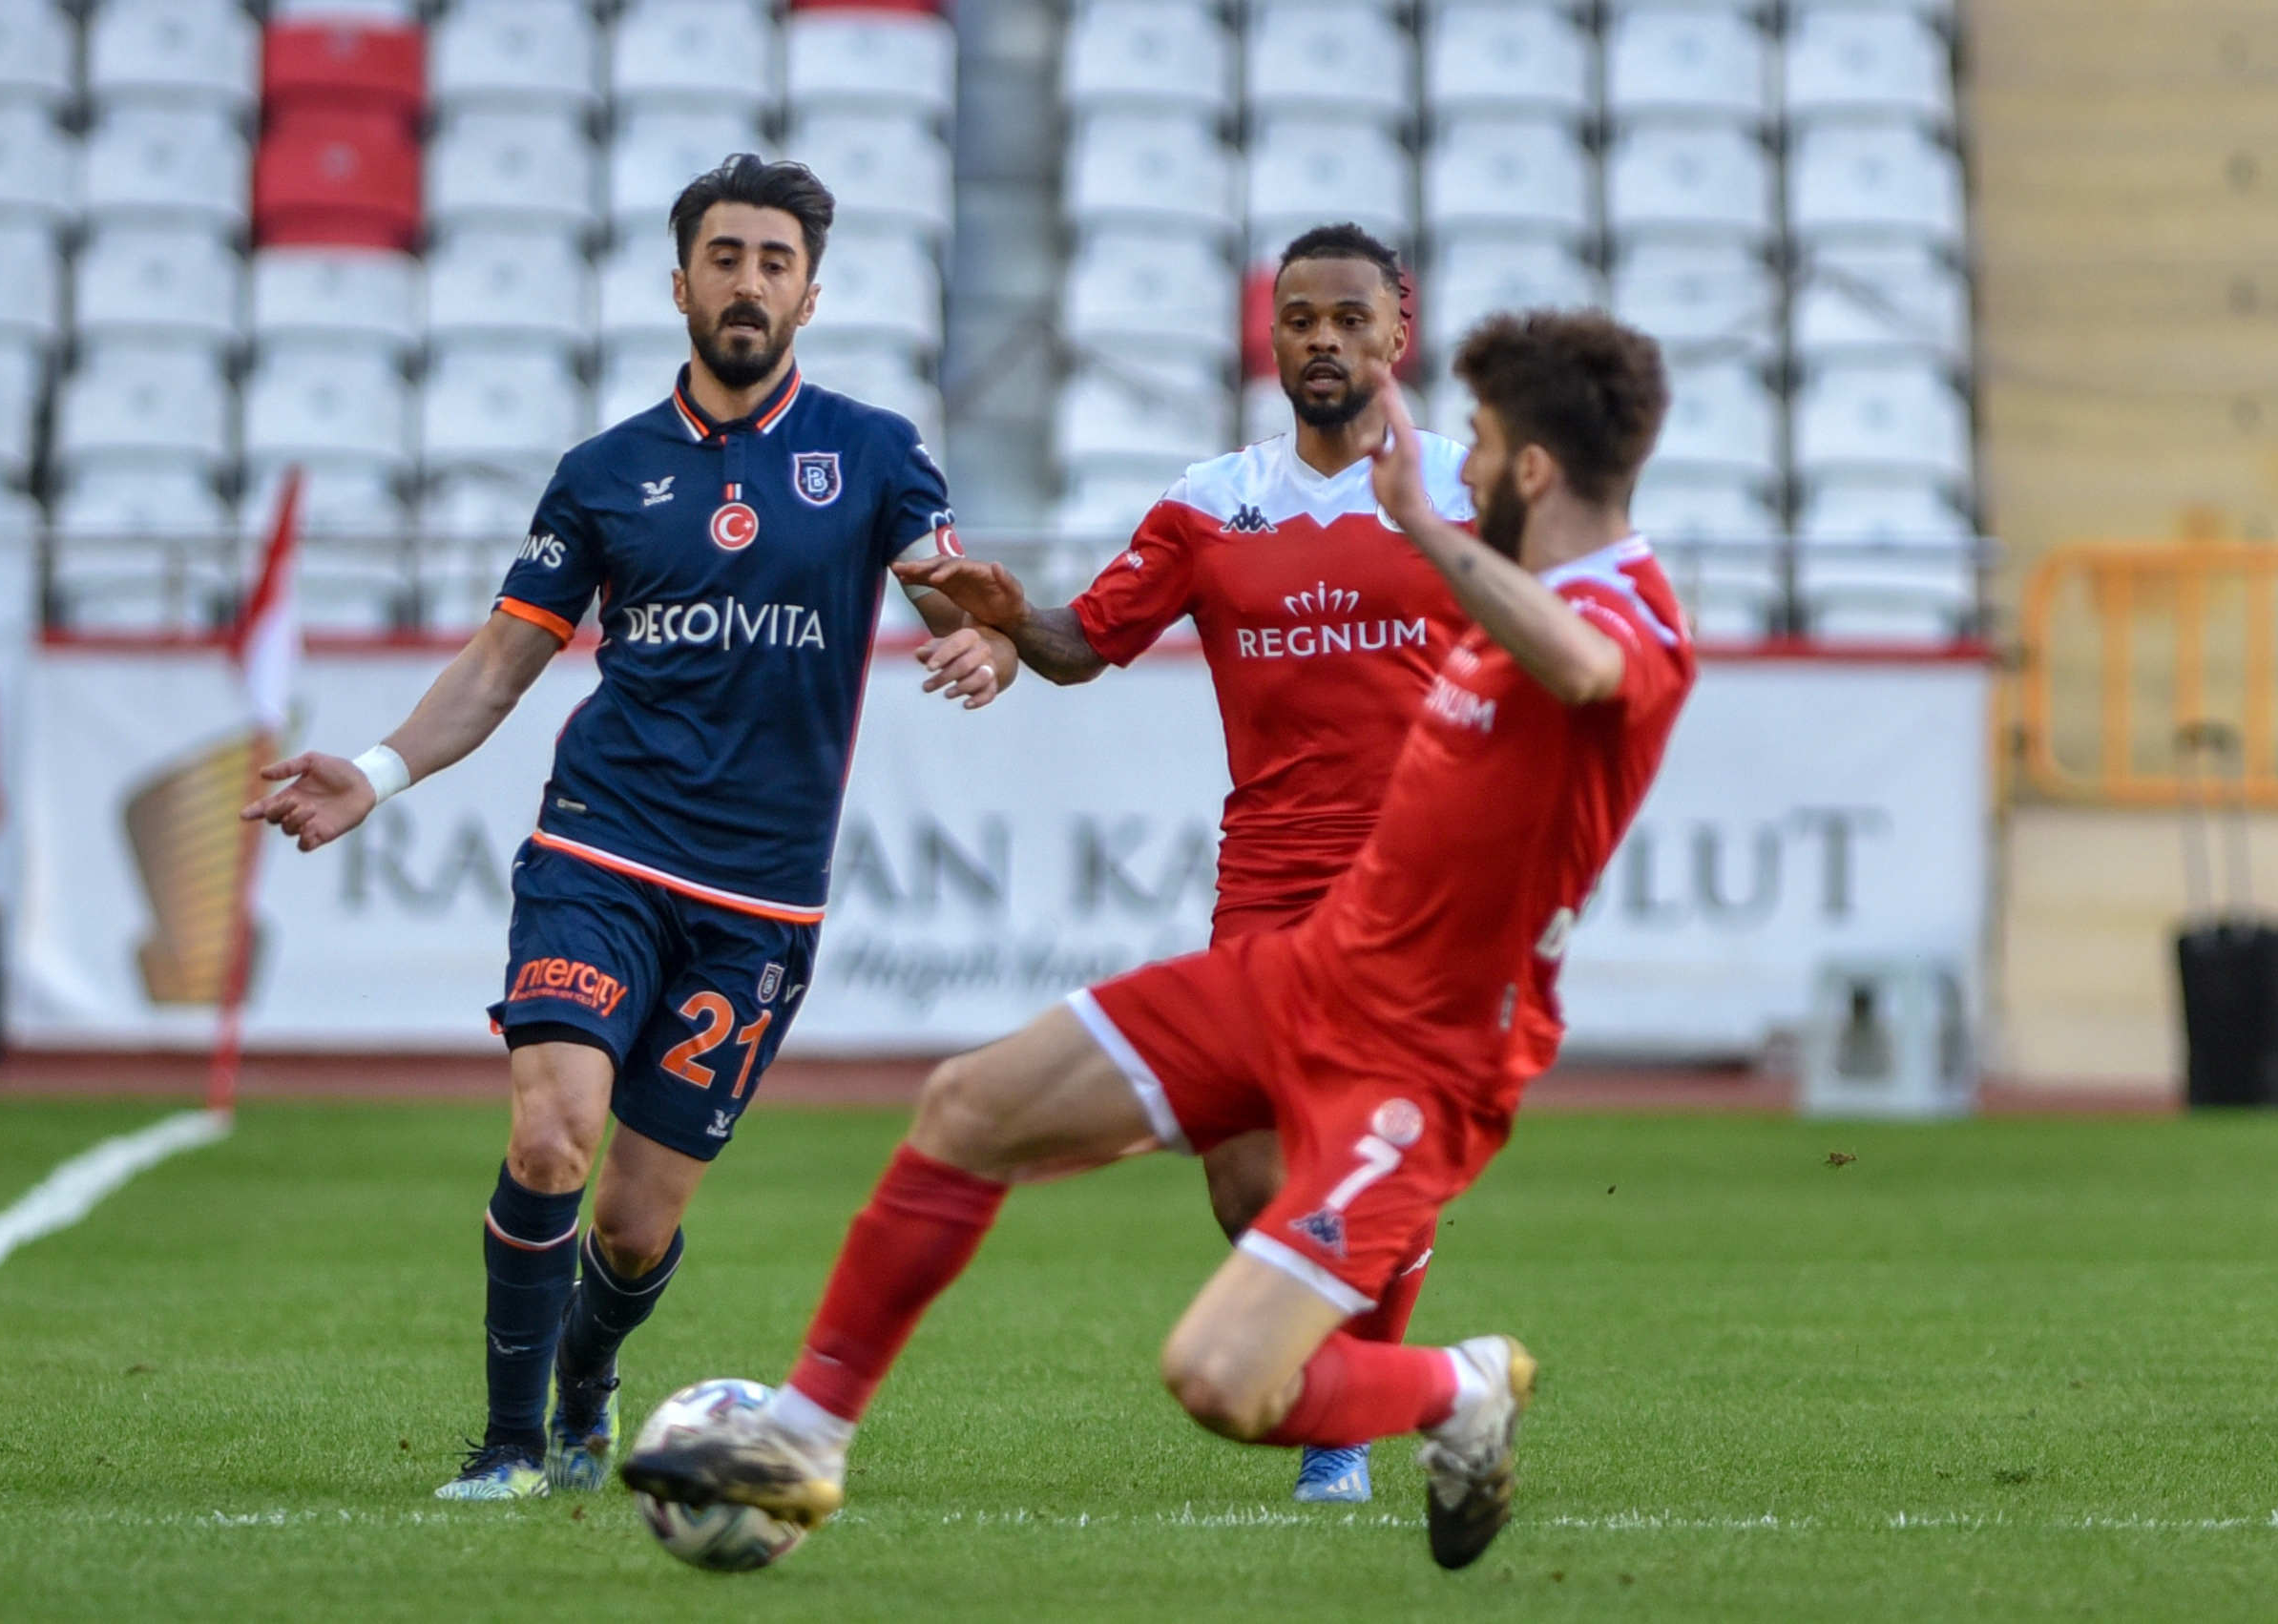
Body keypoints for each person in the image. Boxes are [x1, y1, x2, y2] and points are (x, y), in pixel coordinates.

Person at [622, 308, 1697, 1572]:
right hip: (1307, 970)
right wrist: (1027, 625)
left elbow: (1582, 672)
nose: (1450, 466)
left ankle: (1456, 1387)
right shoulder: (1471, 562)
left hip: (1427, 1051)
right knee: (968, 1103)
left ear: (1528, 471)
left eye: (1476, 444)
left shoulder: (1632, 609)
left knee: (1220, 1376)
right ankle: (804, 1437)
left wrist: (1411, 523)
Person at [241, 155, 1019, 1501]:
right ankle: (505, 1448)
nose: (748, 282)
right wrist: (374, 770)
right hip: (599, 846)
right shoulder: (604, 473)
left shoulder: (876, 454)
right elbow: (498, 664)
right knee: (551, 1133)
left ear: (810, 294)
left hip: (761, 898)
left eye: (774, 262)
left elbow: (961, 603)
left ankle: (592, 1375)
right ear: (679, 283)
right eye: (724, 257)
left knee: (637, 1216)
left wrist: (988, 648)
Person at [895, 221, 1472, 1505]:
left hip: (1418, 882)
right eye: (1299, 318)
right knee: (1243, 1172)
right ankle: (1387, 1368)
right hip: (1265, 880)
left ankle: (1342, 1429)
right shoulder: (1213, 500)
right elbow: (1078, 645)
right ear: (1270, 335)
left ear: (1398, 327)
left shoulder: (1467, 493)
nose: (1321, 340)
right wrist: (1002, 614)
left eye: (1346, 317)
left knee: (1363, 1146)